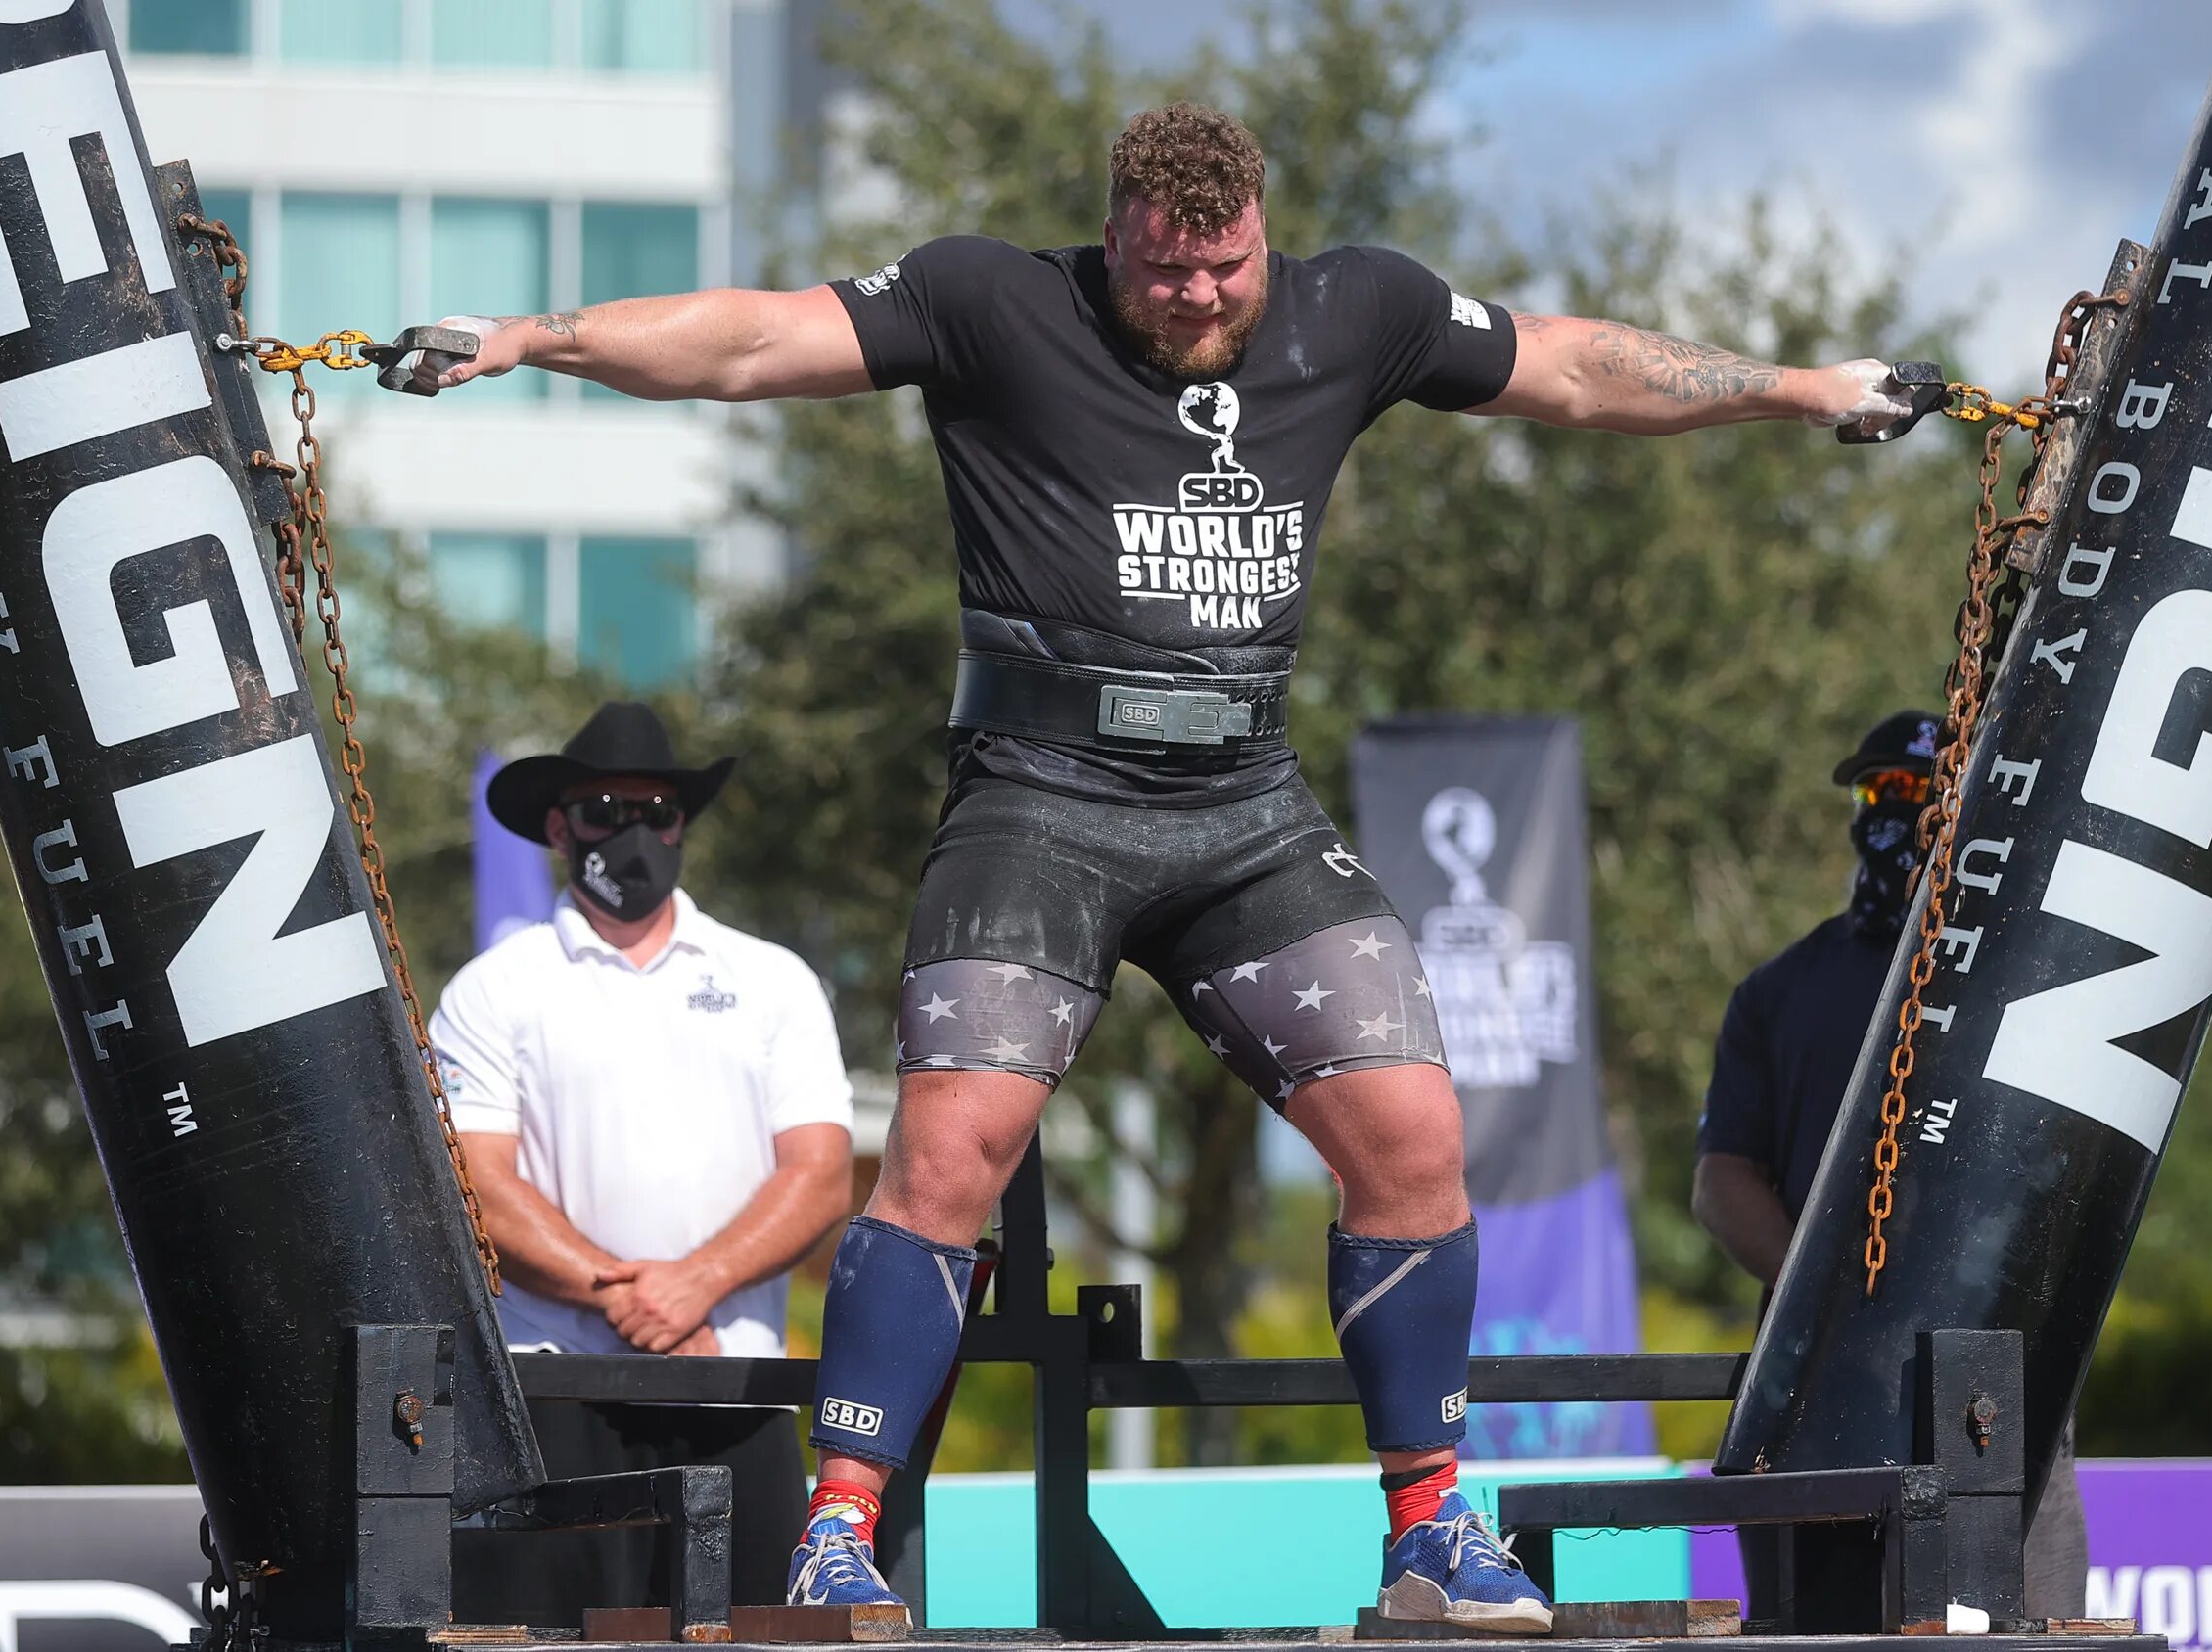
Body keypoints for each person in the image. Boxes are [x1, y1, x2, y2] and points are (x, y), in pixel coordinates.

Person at [400, 103, 1916, 1633]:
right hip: (1036, 800)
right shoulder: (993, 301)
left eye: (1225, 270)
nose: (1196, 300)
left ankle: (1430, 1534)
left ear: (1266, 231)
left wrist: (1802, 391)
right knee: (947, 1157)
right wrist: (531, 337)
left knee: (1414, 1137)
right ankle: (836, 1537)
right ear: (1114, 234)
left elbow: (1577, 366)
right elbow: (746, 341)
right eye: (1164, 273)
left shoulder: (1361, 308)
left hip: (1242, 805)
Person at [433, 702, 855, 1622]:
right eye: (604, 810)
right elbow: (476, 1185)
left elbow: (822, 1172)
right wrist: (634, 1298)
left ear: (681, 824)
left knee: (755, 1641)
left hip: (733, 1388)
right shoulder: (496, 988)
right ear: (558, 826)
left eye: (656, 809)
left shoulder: (772, 980)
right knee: (543, 1643)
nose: (633, 832)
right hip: (551, 1390)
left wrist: (694, 1287)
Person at [1692, 709, 2089, 1627]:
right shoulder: (1779, 991)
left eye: (1924, 793)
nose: (1902, 814)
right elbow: (1722, 1184)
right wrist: (1835, 1294)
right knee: (1825, 1632)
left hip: (1996, 1376)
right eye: (1884, 791)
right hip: (1819, 1390)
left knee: (2024, 1632)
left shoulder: (2023, 975)